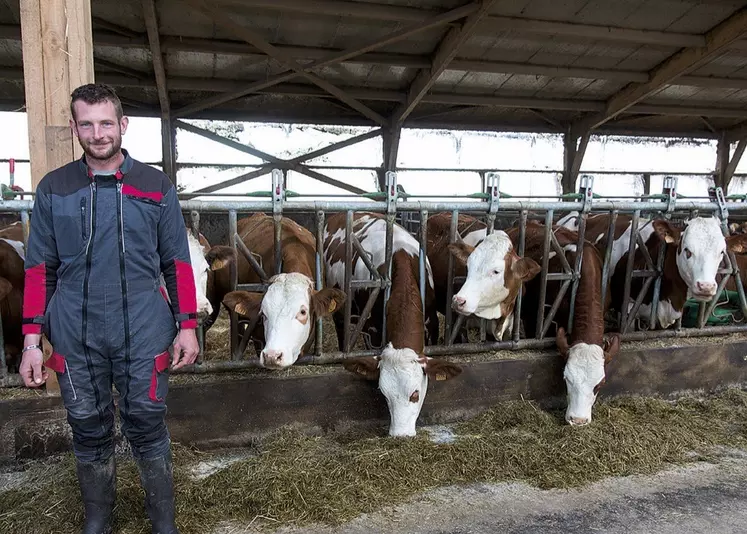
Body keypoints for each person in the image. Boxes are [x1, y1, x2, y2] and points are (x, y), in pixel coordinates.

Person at [18, 83, 200, 534]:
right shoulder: (54, 189)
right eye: (87, 124)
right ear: (76, 128)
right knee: (86, 423)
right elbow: (40, 269)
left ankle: (163, 521)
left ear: (122, 125)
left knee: (146, 418)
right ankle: (98, 517)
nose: (98, 134)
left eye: (105, 123)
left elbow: (176, 262)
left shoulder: (155, 186)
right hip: (75, 330)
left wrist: (188, 327)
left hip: (144, 324)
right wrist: (31, 342)